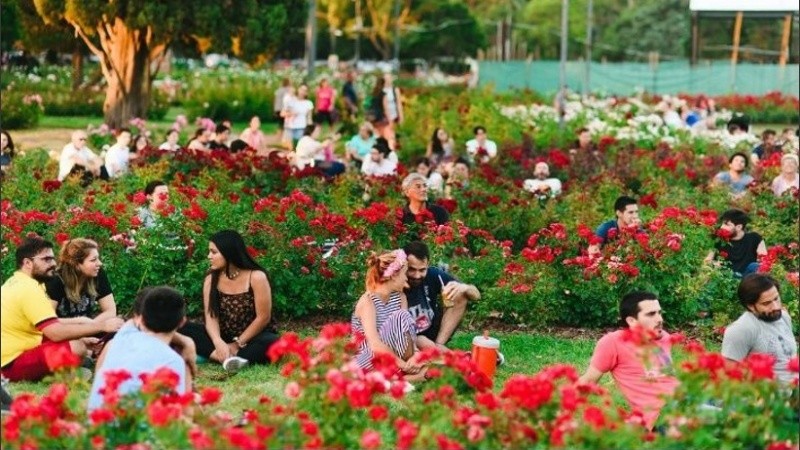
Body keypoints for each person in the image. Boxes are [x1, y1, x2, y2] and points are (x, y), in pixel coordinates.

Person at [1, 237, 123, 382]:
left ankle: (66, 371)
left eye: (53, 258)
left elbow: (42, 326)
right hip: (10, 364)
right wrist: (100, 326)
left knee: (78, 343)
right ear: (27, 263)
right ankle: (63, 374)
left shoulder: (19, 282)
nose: (53, 263)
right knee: (76, 348)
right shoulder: (29, 289)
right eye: (46, 259)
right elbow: (54, 333)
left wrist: (83, 334)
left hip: (20, 349)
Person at [577, 291, 679, 431]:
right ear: (631, 321)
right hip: (662, 417)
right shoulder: (613, 342)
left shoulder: (664, 337)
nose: (659, 319)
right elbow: (588, 380)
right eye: (651, 314)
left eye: (659, 313)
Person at [180, 230, 279, 372]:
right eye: (209, 252)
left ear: (229, 253)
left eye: (213, 252)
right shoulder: (211, 278)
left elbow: (263, 318)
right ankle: (225, 357)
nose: (209, 256)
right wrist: (218, 342)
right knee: (180, 326)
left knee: (271, 342)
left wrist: (237, 344)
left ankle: (226, 356)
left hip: (252, 337)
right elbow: (211, 316)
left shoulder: (257, 277)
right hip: (223, 335)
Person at [87, 286, 191, 411]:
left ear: (140, 318)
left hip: (96, 425)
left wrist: (186, 342)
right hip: (132, 428)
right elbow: (176, 414)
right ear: (182, 322)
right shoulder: (172, 360)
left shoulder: (119, 340)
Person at [351, 249, 424, 380]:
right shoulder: (368, 301)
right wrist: (402, 364)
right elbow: (374, 344)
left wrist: (415, 355)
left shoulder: (400, 297)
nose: (407, 278)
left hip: (392, 357)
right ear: (394, 275)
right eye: (404, 273)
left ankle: (400, 375)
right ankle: (403, 374)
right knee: (401, 316)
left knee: (402, 317)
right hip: (369, 356)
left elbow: (406, 333)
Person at [45, 238, 118, 357]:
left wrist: (89, 329)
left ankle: (92, 352)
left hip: (90, 327)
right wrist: (81, 333)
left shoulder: (98, 274)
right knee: (71, 346)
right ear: (76, 264)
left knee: (120, 327)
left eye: (98, 258)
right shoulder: (55, 281)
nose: (99, 263)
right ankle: (91, 353)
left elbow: (110, 311)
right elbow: (48, 322)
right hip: (63, 333)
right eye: (93, 260)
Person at [403, 241, 480, 351]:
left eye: (422, 270)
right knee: (423, 342)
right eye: (412, 269)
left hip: (431, 329)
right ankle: (453, 357)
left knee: (460, 294)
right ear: (404, 264)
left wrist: (465, 288)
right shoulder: (396, 280)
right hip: (409, 336)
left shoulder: (433, 274)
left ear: (427, 264)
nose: (417, 275)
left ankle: (440, 344)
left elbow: (476, 295)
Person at [722, 274, 797, 385]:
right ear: (751, 306)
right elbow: (728, 376)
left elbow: (789, 358)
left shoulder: (784, 317)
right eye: (766, 303)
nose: (776, 307)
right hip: (766, 398)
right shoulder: (742, 329)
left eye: (776, 299)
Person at [704, 209, 767, 277]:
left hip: (747, 279)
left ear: (739, 227)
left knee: (754, 266)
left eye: (727, 224)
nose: (722, 227)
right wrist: (713, 264)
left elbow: (764, 259)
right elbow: (707, 260)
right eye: (722, 224)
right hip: (725, 277)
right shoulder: (718, 239)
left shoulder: (754, 238)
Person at [283, 84, 314, 149]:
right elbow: (283, 112)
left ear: (307, 93)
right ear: (298, 89)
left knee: (299, 148)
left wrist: (310, 130)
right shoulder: (291, 100)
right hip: (289, 128)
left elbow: (309, 118)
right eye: (301, 89)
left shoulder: (308, 103)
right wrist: (291, 114)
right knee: (287, 148)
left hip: (301, 128)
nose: (302, 92)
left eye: (305, 90)